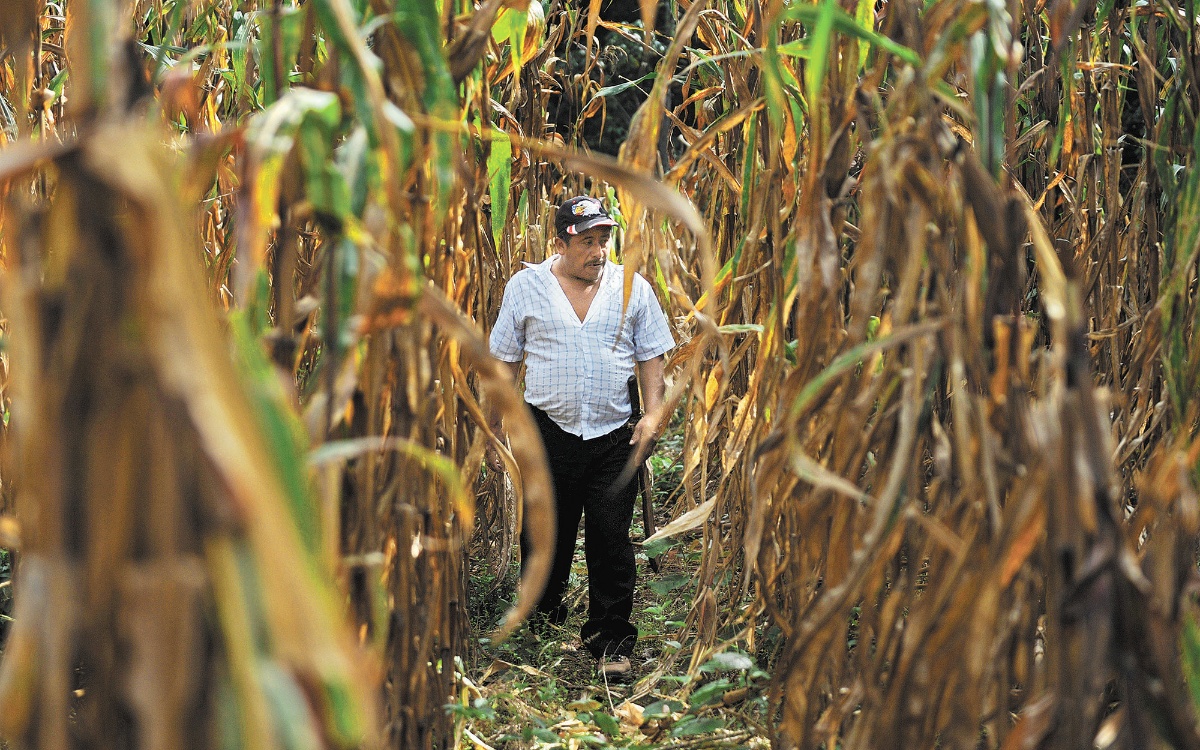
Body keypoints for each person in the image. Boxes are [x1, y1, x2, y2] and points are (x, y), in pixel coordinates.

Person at [487, 195, 674, 677]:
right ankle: (541, 623)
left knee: (612, 537)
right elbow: (505, 363)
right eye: (587, 241)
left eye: (603, 240)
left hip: (616, 435)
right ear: (561, 242)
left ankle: (610, 639)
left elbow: (652, 354)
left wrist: (652, 415)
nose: (598, 251)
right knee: (547, 532)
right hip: (546, 431)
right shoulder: (526, 288)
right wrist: (494, 428)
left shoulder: (632, 288)